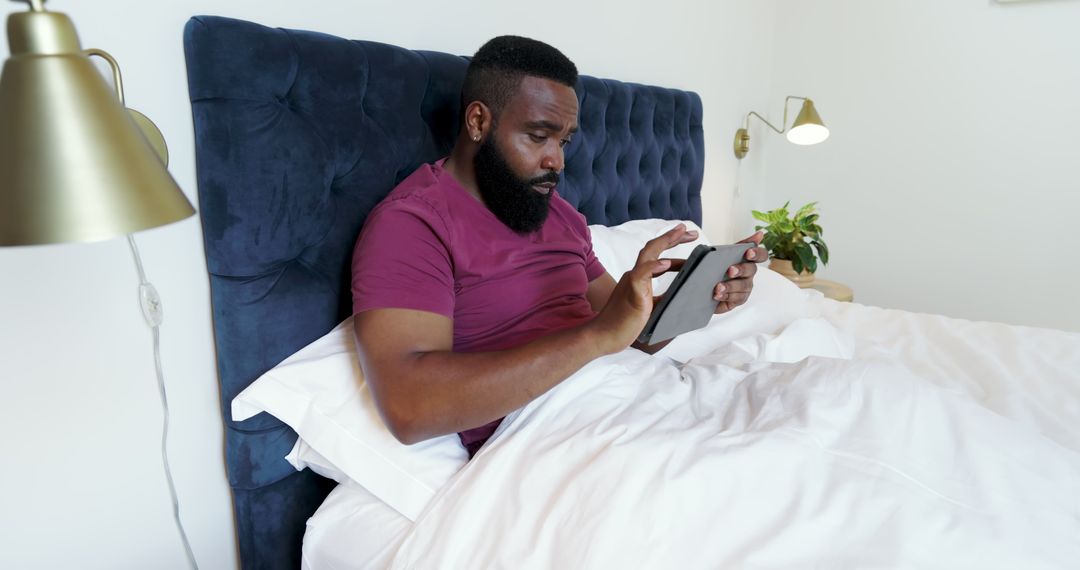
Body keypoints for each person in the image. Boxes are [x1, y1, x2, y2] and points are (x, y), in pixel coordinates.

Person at [351, 36, 765, 457]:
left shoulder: (559, 215)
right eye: (538, 136)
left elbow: (629, 337)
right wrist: (597, 336)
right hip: (552, 436)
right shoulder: (415, 223)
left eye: (563, 141)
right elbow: (409, 407)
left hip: (633, 395)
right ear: (478, 121)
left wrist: (700, 295)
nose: (557, 161)